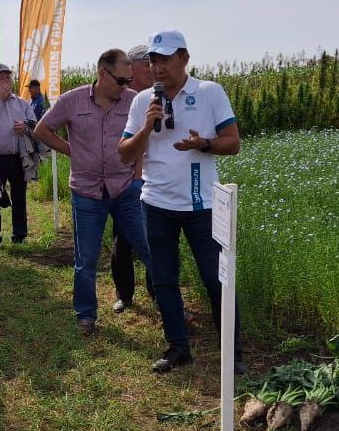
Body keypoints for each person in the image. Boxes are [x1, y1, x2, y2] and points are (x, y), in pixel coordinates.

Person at [118, 30, 245, 374]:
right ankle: (178, 346)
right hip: (156, 203)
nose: (158, 68)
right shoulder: (144, 100)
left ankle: (232, 353)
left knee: (215, 279)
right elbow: (124, 152)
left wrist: (203, 143)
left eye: (165, 59)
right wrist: (146, 128)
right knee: (163, 280)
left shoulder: (208, 92)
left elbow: (233, 143)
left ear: (184, 58)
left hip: (201, 204)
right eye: (153, 61)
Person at [36, 49, 152, 335]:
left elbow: (145, 138)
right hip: (87, 192)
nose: (127, 86)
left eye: (129, 80)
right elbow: (42, 130)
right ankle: (86, 314)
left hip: (126, 189)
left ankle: (168, 304)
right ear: (102, 73)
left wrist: (137, 175)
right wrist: (71, 151)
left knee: (151, 249)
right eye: (122, 81)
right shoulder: (72, 100)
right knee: (86, 259)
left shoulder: (133, 101)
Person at [111, 43, 156, 312]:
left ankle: (157, 292)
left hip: (155, 180)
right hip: (125, 181)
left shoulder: (162, 96)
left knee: (156, 241)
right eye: (147, 62)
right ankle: (124, 294)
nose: (153, 68)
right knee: (123, 240)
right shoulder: (121, 97)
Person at [0, 63, 37, 245]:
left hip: (17, 157)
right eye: (1, 77)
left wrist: (25, 126)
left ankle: (20, 235)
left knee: (19, 196)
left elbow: (35, 124)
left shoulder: (22, 103)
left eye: (8, 77)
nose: (6, 80)